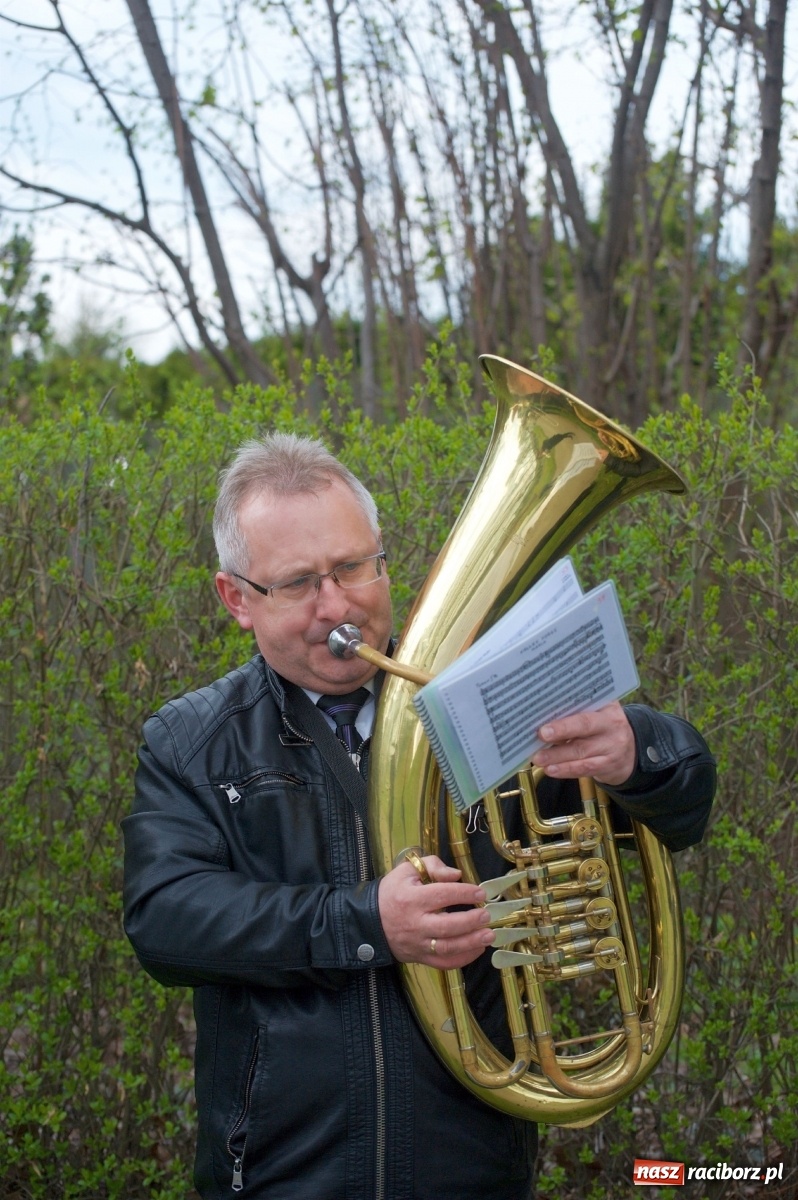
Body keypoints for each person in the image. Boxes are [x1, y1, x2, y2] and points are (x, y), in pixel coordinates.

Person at [123, 433, 716, 1200]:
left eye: (353, 567)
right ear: (237, 598)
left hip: (471, 1168)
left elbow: (685, 809)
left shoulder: (481, 698)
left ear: (383, 560)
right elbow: (166, 921)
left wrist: (640, 752)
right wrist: (366, 923)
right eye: (299, 582)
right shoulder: (191, 740)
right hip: (280, 1174)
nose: (338, 605)